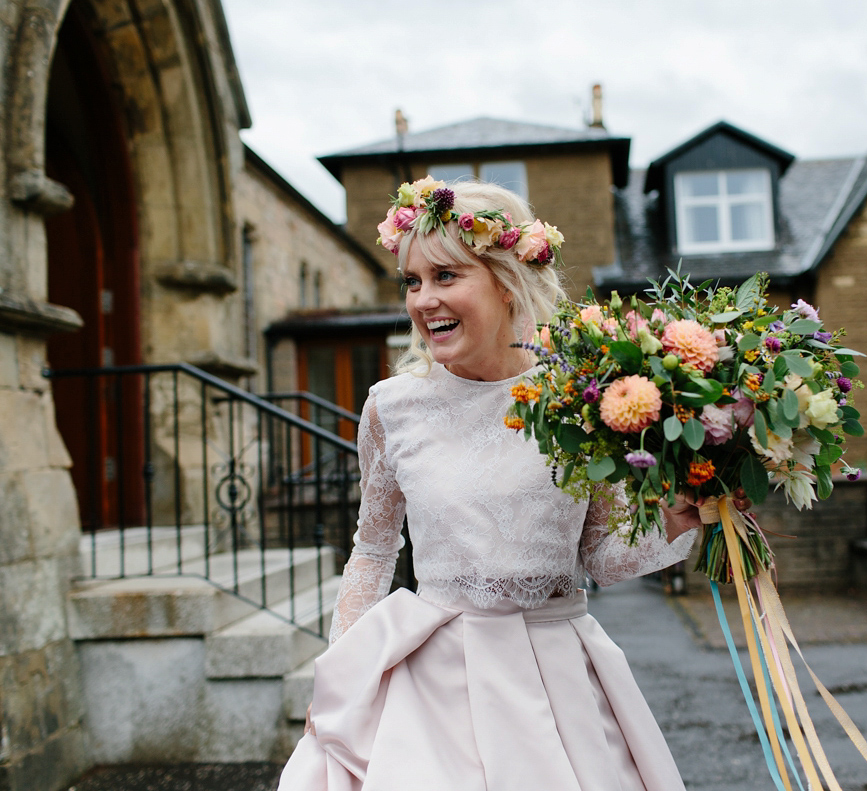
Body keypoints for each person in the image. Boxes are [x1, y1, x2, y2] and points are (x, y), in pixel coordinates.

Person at [277, 178, 706, 791]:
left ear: (507, 281)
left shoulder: (580, 400)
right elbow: (373, 551)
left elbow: (602, 560)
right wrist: (341, 673)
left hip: (559, 685)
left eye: (447, 276)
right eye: (413, 281)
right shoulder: (391, 409)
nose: (424, 300)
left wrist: (678, 519)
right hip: (434, 686)